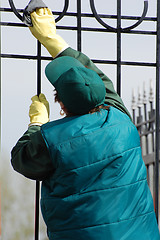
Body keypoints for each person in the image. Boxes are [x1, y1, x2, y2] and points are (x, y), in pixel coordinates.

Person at [11, 4, 160, 240]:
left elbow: (23, 160)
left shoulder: (50, 140)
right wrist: (51, 37)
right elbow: (95, 76)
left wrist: (36, 124)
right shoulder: (120, 118)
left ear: (61, 104)